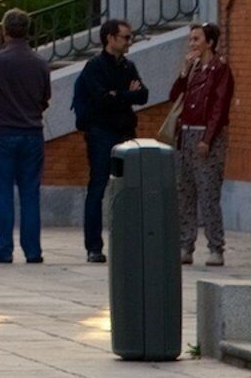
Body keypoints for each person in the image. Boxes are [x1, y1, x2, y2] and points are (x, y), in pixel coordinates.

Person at [0, 6, 51, 264]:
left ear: (4, 30)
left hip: (4, 130)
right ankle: (33, 250)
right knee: (30, 193)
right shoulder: (40, 62)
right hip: (32, 132)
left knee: (3, 191)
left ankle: (4, 247)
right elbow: (45, 98)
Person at [73, 18, 150, 263]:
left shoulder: (128, 66)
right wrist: (126, 94)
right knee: (97, 187)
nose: (129, 41)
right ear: (110, 38)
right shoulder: (95, 67)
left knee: (130, 188)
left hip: (125, 131)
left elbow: (143, 95)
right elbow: (102, 99)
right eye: (125, 37)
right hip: (101, 133)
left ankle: (128, 242)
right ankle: (94, 246)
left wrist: (119, 95)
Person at [163, 21, 237, 267]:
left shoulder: (220, 69)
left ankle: (216, 247)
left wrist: (208, 138)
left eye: (196, 39)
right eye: (191, 39)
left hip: (206, 136)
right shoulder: (194, 68)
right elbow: (174, 96)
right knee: (185, 192)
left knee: (208, 193)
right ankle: (186, 245)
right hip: (185, 134)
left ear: (210, 42)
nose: (192, 43)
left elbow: (219, 107)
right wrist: (184, 72)